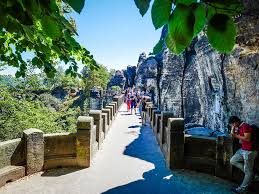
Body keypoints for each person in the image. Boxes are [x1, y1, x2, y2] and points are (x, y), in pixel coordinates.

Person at [229, 116, 258, 194]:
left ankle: (242, 189)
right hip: (243, 150)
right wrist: (233, 130)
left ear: (236, 122)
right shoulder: (239, 127)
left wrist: (235, 135)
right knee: (233, 160)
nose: (232, 126)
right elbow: (235, 137)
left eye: (232, 124)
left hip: (250, 151)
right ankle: (252, 175)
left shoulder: (245, 126)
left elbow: (247, 138)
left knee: (248, 171)